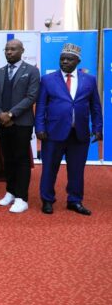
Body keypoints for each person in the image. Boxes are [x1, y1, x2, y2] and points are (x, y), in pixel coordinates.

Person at [36, 43, 102, 216]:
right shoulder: (48, 79)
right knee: (49, 168)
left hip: (79, 134)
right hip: (52, 133)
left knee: (77, 170)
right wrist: (40, 127)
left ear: (77, 61)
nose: (64, 62)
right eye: (62, 59)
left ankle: (75, 200)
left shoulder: (89, 79)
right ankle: (47, 200)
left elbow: (95, 106)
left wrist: (97, 127)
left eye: (69, 59)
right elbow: (41, 106)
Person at [0, 39, 40, 213]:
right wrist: (0, 115)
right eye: (7, 49)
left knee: (21, 159)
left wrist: (10, 114)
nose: (9, 52)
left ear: (22, 50)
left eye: (13, 49)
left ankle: (21, 197)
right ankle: (10, 192)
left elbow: (31, 97)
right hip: (2, 122)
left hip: (21, 123)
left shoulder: (32, 71)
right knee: (8, 158)